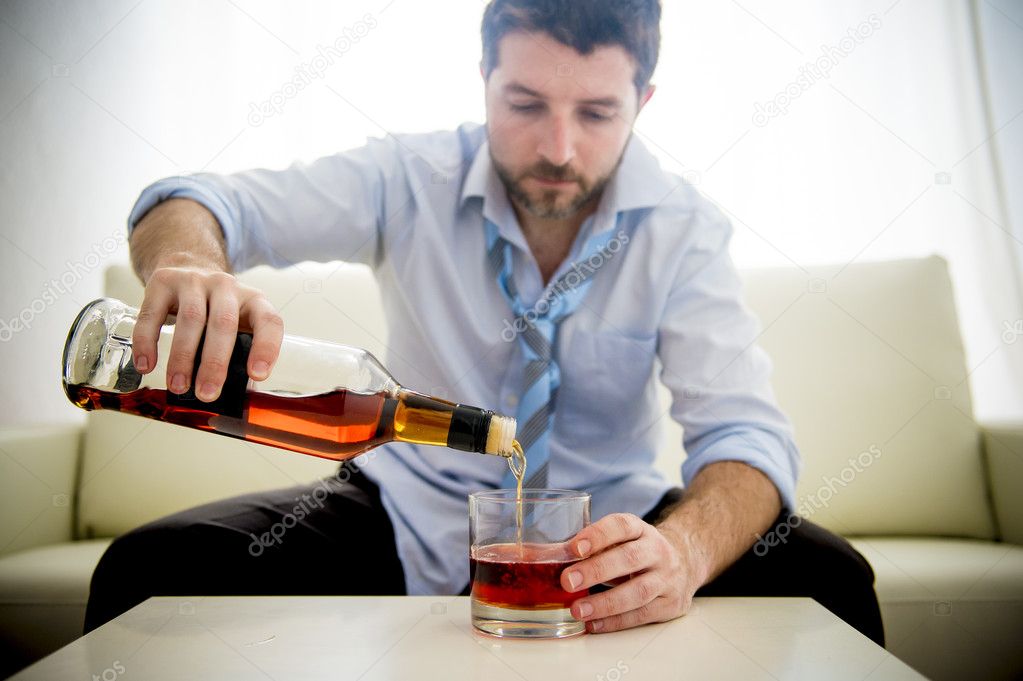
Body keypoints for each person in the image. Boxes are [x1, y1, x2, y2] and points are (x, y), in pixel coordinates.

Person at [84, 0, 884, 644]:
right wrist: (188, 262)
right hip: (405, 506)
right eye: (524, 103)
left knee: (833, 577)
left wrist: (683, 549)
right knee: (148, 568)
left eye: (598, 112)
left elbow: (747, 437)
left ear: (643, 101)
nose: (558, 148)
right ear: (483, 78)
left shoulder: (682, 227)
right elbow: (197, 199)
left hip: (607, 523)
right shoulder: (406, 178)